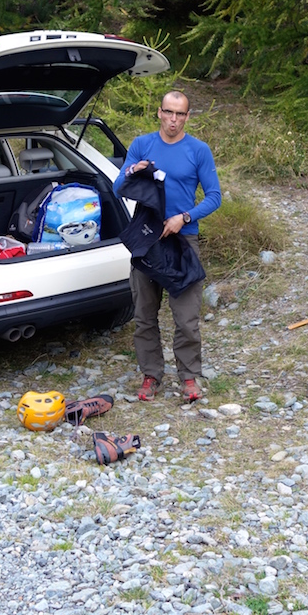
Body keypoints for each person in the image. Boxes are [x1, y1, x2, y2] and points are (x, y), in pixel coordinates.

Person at [119, 90, 222, 402]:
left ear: (187, 117)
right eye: (169, 112)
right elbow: (118, 186)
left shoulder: (198, 150)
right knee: (144, 314)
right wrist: (133, 171)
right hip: (147, 238)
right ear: (159, 113)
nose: (174, 119)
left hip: (182, 239)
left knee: (187, 317)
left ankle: (189, 377)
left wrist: (184, 217)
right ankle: (151, 375)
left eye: (181, 114)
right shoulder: (142, 145)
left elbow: (214, 196)